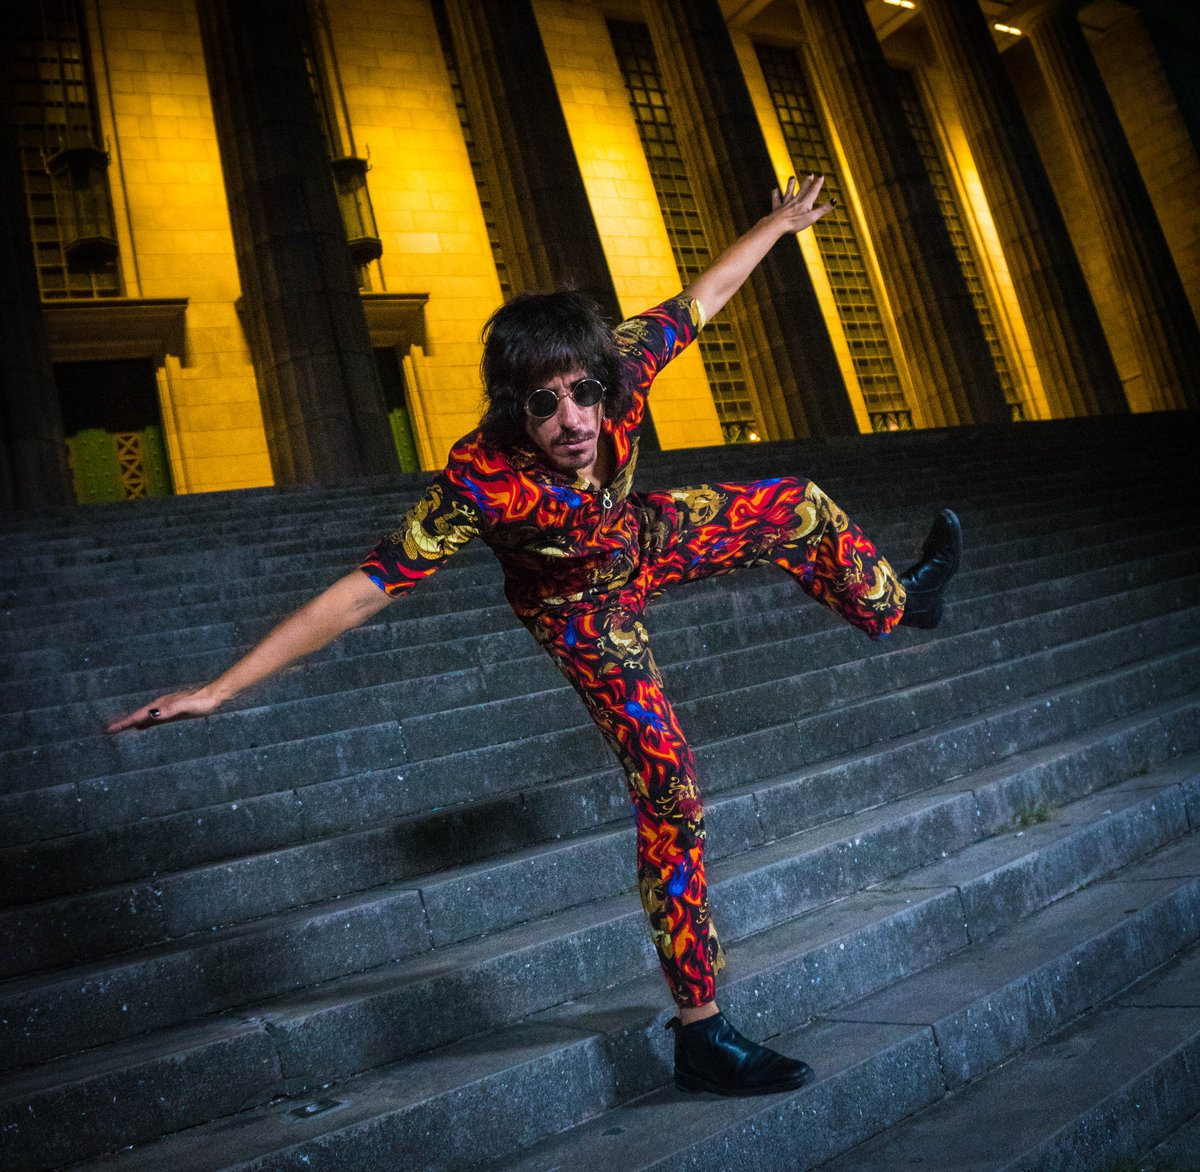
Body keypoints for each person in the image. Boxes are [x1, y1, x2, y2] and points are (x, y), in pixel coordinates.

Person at [107, 175, 962, 1097]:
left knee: (801, 505)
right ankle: (703, 1033)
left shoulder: (622, 366)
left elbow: (702, 298)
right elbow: (365, 590)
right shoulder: (481, 482)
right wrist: (220, 689)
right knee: (670, 787)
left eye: (583, 395)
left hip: (639, 537)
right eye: (544, 405)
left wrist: (779, 222)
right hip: (580, 615)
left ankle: (896, 605)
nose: (573, 421)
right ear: (516, 409)